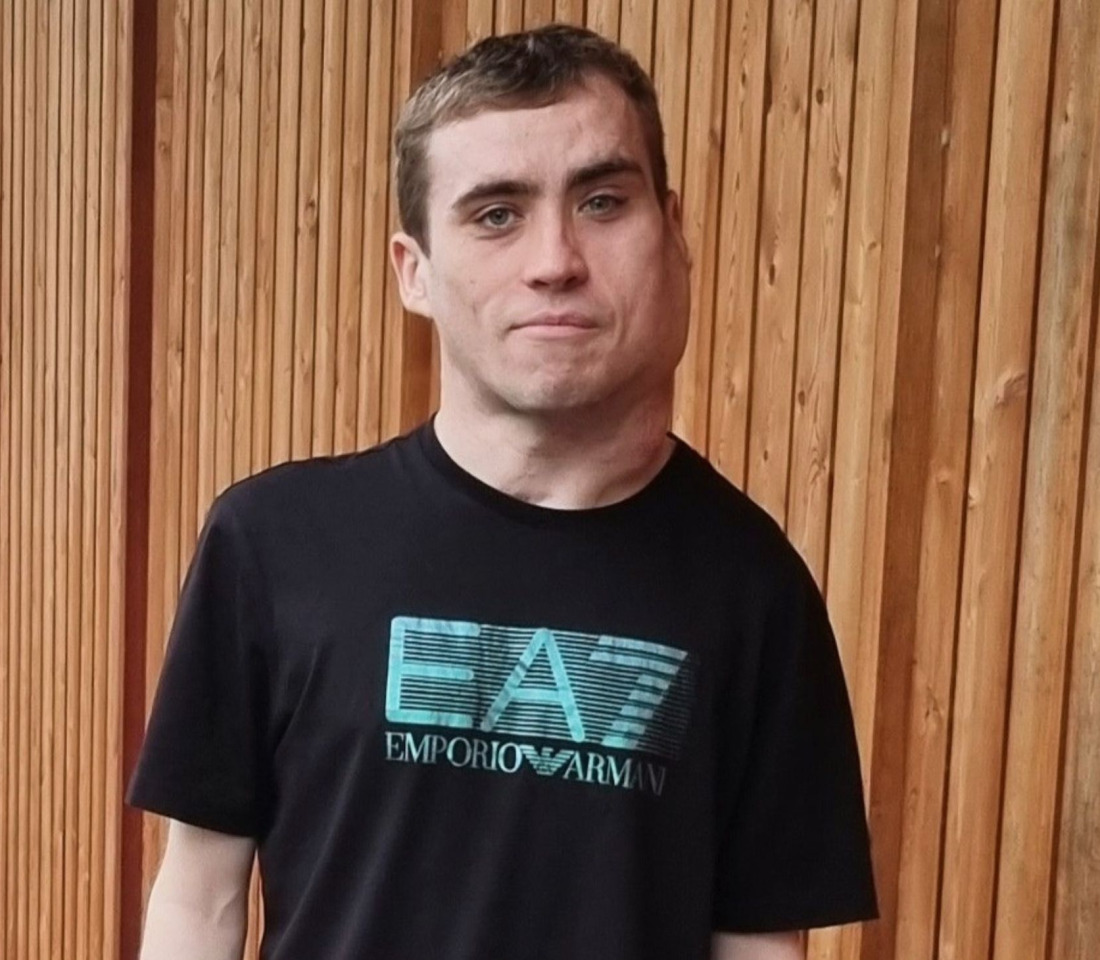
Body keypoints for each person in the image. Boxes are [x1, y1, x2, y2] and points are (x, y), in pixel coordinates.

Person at [129, 24, 877, 960]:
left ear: (674, 232)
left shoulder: (758, 590)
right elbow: (198, 900)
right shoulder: (274, 542)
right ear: (415, 272)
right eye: (495, 214)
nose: (555, 258)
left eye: (603, 201)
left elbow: (761, 947)